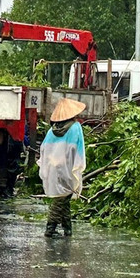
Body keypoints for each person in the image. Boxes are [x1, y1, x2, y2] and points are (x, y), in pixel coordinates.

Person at [38, 98, 87, 238]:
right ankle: (50, 229)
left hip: (53, 168)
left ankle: (67, 229)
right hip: (67, 167)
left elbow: (44, 149)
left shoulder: (51, 130)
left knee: (65, 197)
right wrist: (77, 166)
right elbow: (77, 149)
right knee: (61, 199)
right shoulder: (75, 127)